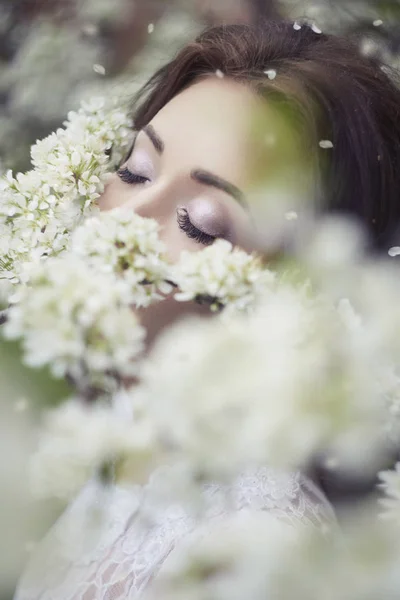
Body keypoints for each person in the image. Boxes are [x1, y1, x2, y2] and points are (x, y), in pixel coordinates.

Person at [15, 20, 400, 600]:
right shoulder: (113, 433)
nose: (125, 220)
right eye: (134, 170)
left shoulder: (251, 554)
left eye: (201, 224)